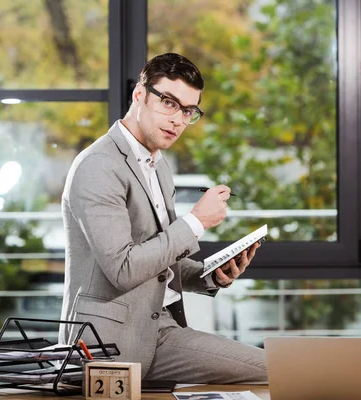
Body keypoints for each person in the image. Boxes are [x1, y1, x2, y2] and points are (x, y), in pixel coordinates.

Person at [59, 52, 267, 384]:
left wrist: (210, 275)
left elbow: (155, 259)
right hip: (110, 344)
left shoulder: (158, 166)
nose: (178, 120)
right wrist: (196, 221)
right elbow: (123, 269)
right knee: (276, 369)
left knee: (272, 367)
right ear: (139, 95)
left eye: (188, 111)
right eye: (169, 103)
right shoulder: (98, 165)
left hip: (162, 327)